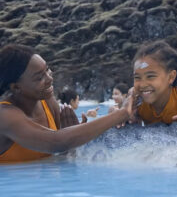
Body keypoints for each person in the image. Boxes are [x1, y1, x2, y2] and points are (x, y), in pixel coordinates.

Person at [0, 44, 135, 163]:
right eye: (39, 77)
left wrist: (75, 134)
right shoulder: (5, 116)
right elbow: (57, 142)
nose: (49, 78)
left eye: (47, 69)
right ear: (16, 87)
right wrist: (122, 114)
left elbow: (63, 153)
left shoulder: (46, 100)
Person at [132, 40, 177, 127]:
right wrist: (122, 113)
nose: (142, 85)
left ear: (171, 77)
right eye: (137, 77)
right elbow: (121, 110)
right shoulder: (136, 100)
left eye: (150, 76)